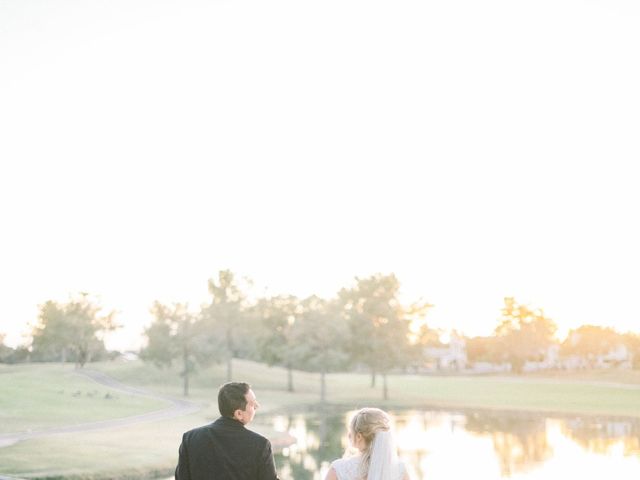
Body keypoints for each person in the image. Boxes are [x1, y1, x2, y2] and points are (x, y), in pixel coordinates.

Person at [175, 382, 279, 480]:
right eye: (252, 404)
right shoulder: (260, 445)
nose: (257, 406)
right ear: (239, 414)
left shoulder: (190, 439)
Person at [325, 408, 409, 480]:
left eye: (351, 430)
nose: (349, 435)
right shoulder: (399, 470)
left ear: (359, 437)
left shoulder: (339, 469)